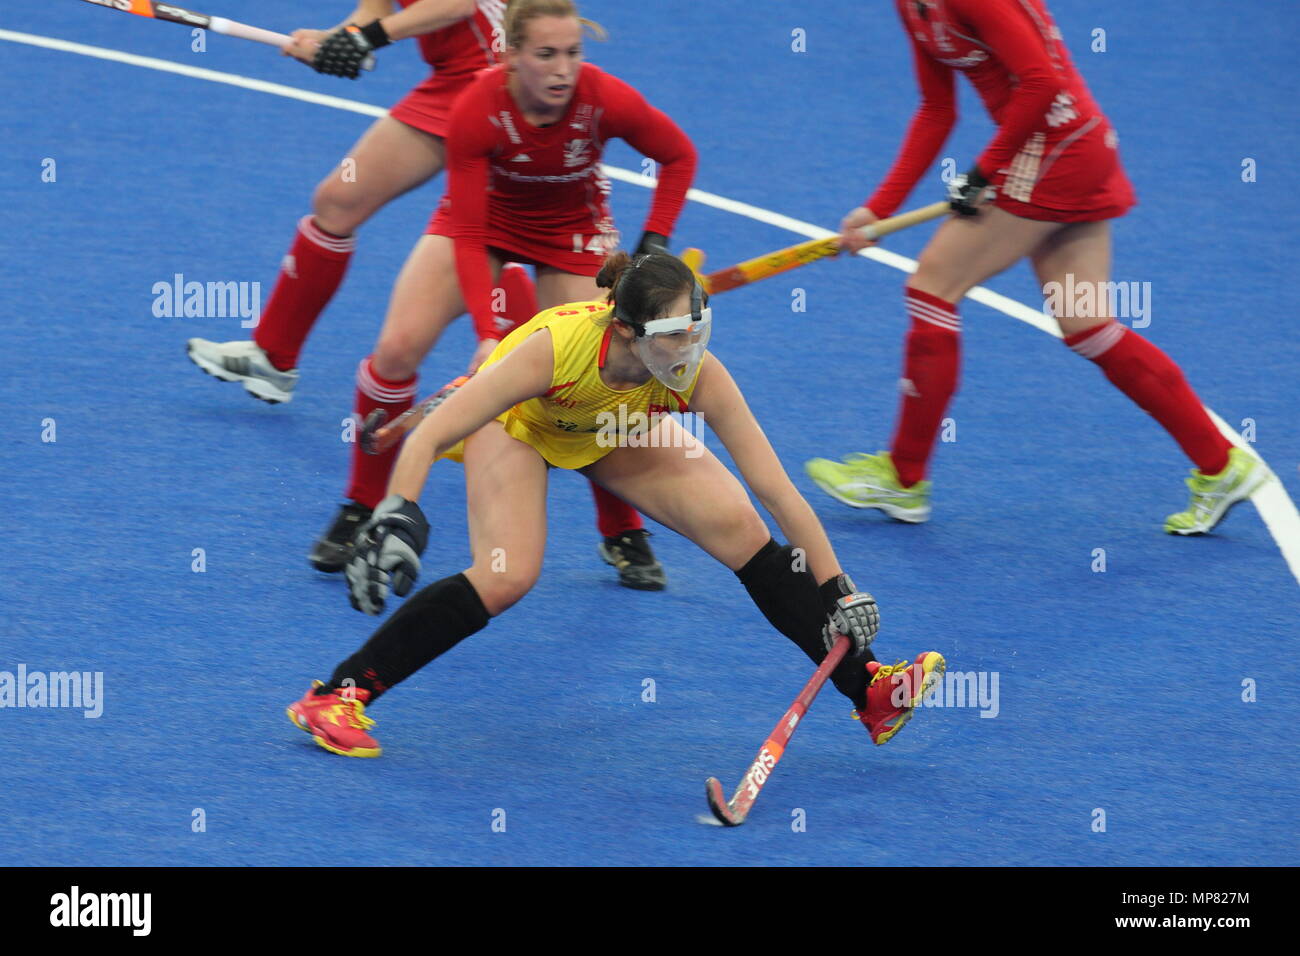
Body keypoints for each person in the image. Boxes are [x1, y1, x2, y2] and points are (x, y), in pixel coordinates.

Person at [286, 251, 946, 758]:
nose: (689, 350)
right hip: (519, 426)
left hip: (610, 429)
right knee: (508, 574)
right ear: (627, 331)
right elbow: (431, 431)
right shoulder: (556, 349)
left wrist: (838, 587)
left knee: (742, 528)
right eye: (673, 337)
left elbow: (778, 490)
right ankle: (338, 696)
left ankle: (870, 691)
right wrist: (399, 509)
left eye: (697, 330)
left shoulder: (695, 374)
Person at [805, 0, 1270, 534]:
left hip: (1057, 149)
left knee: (933, 285)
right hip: (1068, 148)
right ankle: (1221, 464)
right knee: (1087, 325)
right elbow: (937, 108)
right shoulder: (912, 6)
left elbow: (1041, 82)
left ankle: (904, 479)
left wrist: (983, 172)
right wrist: (879, 208)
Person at [306, 0, 700, 589]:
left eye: (572, 52)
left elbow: (678, 155)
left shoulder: (603, 98)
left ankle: (621, 525)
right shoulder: (478, 107)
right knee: (396, 349)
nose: (563, 69)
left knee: (609, 366)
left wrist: (651, 243)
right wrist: (489, 337)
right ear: (511, 56)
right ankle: (364, 505)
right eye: (546, 54)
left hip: (572, 232)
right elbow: (466, 233)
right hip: (485, 222)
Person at [187, 0, 532, 405]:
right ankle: (271, 357)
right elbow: (376, 9)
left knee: (488, 234)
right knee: (339, 201)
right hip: (454, 78)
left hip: (493, 80)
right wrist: (333, 40)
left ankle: (556, 381)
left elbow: (455, 4)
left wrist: (362, 40)